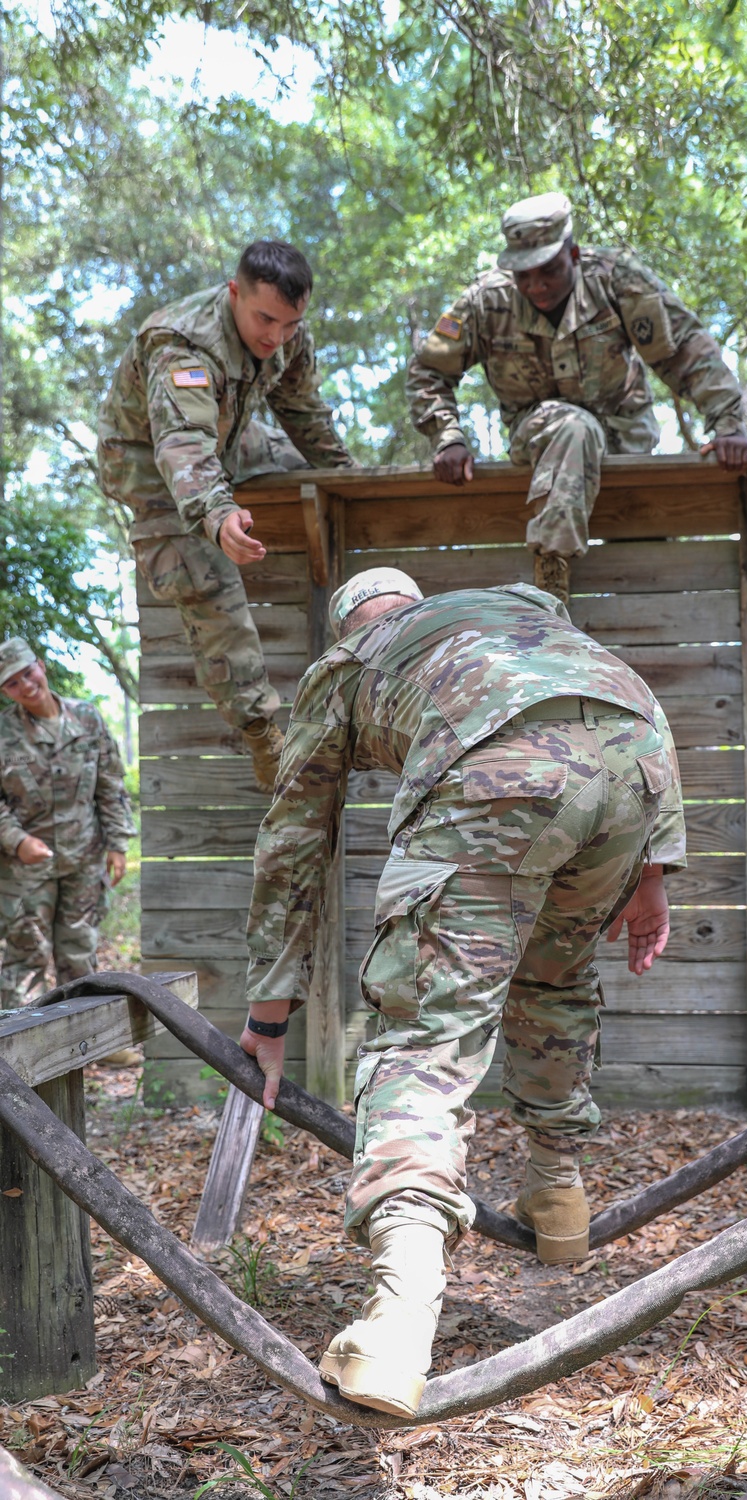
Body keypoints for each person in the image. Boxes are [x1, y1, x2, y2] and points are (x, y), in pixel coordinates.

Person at [239, 567, 687, 1418]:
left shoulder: (347, 663)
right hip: (640, 759)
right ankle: (558, 1198)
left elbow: (295, 838)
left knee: (426, 1031)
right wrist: (653, 871)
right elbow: (599, 699)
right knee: (554, 980)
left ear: (349, 628)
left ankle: (400, 1322)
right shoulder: (515, 608)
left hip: (496, 764)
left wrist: (269, 1010)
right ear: (413, 606)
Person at [406, 191, 747, 603]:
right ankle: (551, 578)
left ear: (573, 253)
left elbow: (684, 349)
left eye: (547, 271)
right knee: (573, 425)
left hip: (626, 442)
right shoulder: (487, 302)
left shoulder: (616, 280)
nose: (536, 286)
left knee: (647, 562)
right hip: (541, 436)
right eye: (523, 275)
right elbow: (428, 370)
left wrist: (728, 422)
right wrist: (448, 437)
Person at [98, 240, 355, 792]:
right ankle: (263, 735)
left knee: (299, 467)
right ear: (234, 291)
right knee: (205, 573)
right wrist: (218, 514)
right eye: (265, 319)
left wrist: (348, 478)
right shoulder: (181, 344)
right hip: (154, 467)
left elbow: (304, 414)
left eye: (290, 324)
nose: (276, 336)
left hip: (230, 441)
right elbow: (184, 446)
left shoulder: (287, 332)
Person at [0, 639, 135, 1008]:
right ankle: (18, 1056)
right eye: (12, 683)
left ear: (41, 666)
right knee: (26, 959)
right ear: (4, 691)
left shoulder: (87, 718)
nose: (26, 685)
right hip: (25, 869)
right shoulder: (3, 734)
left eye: (28, 673)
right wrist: (16, 840)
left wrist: (118, 844)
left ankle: (88, 1046)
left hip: (83, 860)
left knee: (80, 956)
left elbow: (110, 783)